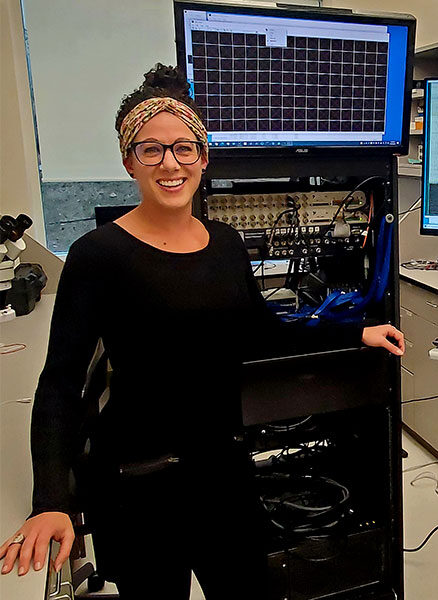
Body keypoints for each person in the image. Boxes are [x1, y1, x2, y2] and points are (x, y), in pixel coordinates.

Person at [0, 64, 404, 598]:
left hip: (223, 476)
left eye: (184, 148)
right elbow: (59, 384)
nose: (171, 163)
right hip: (139, 485)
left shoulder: (226, 244)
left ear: (203, 157)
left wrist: (356, 332)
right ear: (129, 161)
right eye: (151, 149)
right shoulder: (97, 256)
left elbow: (263, 332)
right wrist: (51, 500)